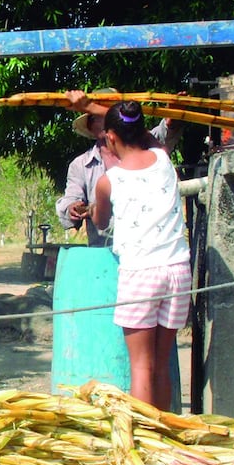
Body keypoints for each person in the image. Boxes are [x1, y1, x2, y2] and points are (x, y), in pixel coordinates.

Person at [89, 100, 191, 411]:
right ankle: (161, 431)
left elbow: (100, 222)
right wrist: (93, 106)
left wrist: (93, 210)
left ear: (110, 137)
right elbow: (144, 135)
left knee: (141, 367)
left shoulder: (108, 181)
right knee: (161, 364)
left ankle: (145, 436)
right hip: (177, 272)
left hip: (141, 275)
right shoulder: (163, 160)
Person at [56, 89, 182, 247]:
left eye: (107, 116)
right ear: (90, 125)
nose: (104, 122)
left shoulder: (152, 154)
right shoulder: (81, 165)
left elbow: (162, 131)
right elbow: (72, 199)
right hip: (104, 250)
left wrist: (172, 119)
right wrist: (72, 208)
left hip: (144, 251)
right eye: (97, 117)